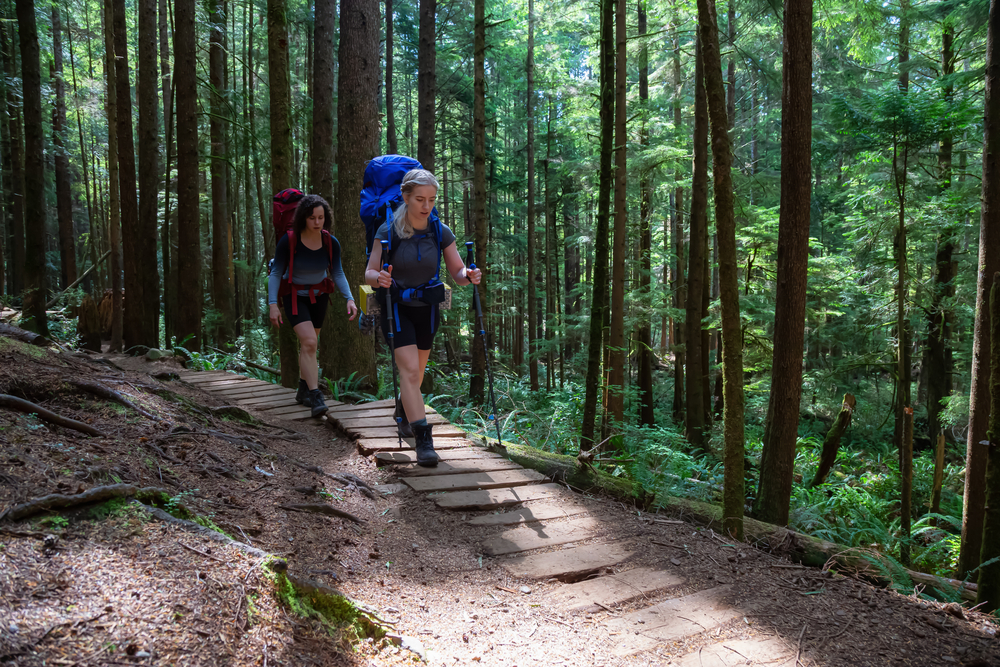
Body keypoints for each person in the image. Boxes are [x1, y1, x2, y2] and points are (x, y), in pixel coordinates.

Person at [365, 169, 481, 466]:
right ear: (405, 197)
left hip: (427, 308)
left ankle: (403, 411)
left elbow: (457, 274)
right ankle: (423, 439)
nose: (426, 206)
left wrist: (468, 275)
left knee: (416, 374)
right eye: (419, 199)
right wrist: (379, 278)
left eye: (431, 199)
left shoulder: (439, 230)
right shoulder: (387, 230)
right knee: (411, 374)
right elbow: (369, 272)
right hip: (396, 307)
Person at [268, 194, 358, 417]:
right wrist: (272, 304)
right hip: (294, 297)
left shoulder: (330, 242)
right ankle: (316, 395)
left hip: (319, 297)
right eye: (312, 218)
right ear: (303, 219)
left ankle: (302, 389)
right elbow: (276, 272)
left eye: (321, 218)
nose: (317, 222)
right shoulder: (289, 240)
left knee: (310, 346)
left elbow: (337, 272)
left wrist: (349, 298)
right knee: (309, 342)